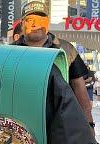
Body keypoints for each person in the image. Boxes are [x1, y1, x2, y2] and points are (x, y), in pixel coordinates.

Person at [11, 1, 95, 129]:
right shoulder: (10, 52)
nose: (35, 24)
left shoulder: (66, 49)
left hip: (61, 126)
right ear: (22, 25)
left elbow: (79, 88)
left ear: (48, 23)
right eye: (30, 20)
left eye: (41, 19)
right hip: (22, 125)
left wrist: (89, 124)